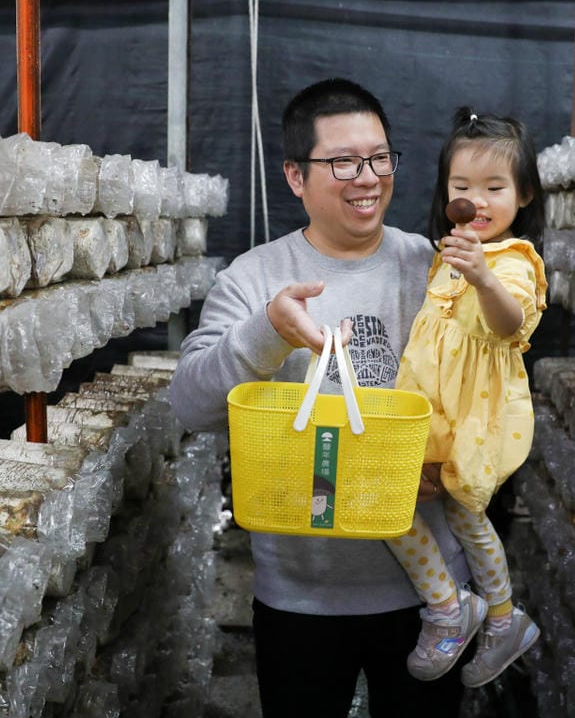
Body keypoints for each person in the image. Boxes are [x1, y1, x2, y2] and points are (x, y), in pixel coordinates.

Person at [168, 78, 473, 717]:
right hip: (302, 594)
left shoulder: (434, 266)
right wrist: (266, 335)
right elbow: (189, 406)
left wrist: (461, 467)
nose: (367, 177)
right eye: (342, 161)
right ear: (295, 176)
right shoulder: (253, 279)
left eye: (380, 157)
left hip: (431, 595)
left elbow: (491, 385)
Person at [387, 107, 547, 688]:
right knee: (401, 503)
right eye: (462, 187)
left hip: (475, 418)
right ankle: (488, 614)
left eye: (494, 188)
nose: (475, 201)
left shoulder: (514, 262)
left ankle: (456, 609)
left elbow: (508, 328)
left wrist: (482, 276)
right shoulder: (449, 251)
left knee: (460, 510)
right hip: (432, 407)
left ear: (524, 194)